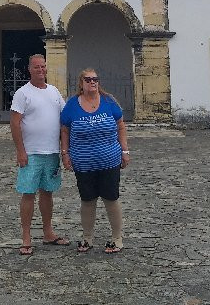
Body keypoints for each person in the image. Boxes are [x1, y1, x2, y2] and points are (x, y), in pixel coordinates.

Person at [61, 68, 130, 254]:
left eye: (95, 79)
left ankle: (117, 238)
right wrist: (65, 154)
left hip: (109, 161)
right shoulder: (72, 105)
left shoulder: (109, 101)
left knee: (111, 198)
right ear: (81, 83)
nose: (93, 82)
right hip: (84, 163)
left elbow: (121, 127)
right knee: (88, 200)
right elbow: (65, 130)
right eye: (88, 79)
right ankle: (87, 238)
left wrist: (125, 150)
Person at [10, 54, 70, 256]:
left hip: (51, 152)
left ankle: (48, 232)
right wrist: (20, 151)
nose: (41, 70)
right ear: (29, 69)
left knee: (47, 193)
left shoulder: (53, 91)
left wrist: (64, 149)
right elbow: (15, 123)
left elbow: (65, 117)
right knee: (28, 193)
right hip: (32, 153)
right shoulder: (23, 93)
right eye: (37, 67)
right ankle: (26, 236)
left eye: (43, 67)